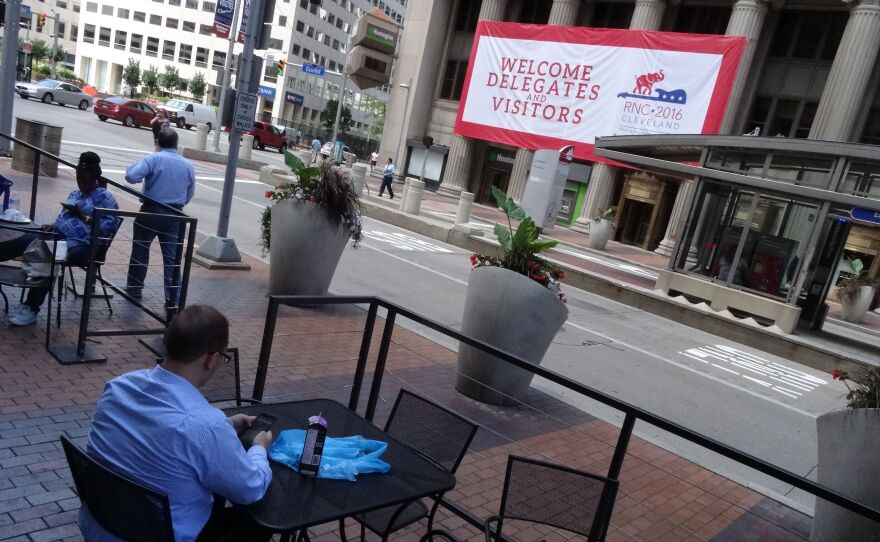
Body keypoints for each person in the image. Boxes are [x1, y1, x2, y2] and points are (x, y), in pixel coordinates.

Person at [78, 305, 274, 542]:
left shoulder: (118, 387)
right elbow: (250, 489)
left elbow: (157, 430)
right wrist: (259, 449)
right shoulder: (204, 426)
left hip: (101, 523)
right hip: (157, 536)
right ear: (211, 359)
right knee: (261, 525)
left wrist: (226, 425)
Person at [0, 152, 120, 326]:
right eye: (79, 180)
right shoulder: (75, 193)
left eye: (85, 181)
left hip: (84, 245)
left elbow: (105, 230)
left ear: (94, 179)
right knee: (26, 238)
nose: (82, 185)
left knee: (49, 254)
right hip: (59, 235)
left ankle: (31, 308)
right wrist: (53, 225)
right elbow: (63, 217)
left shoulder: (106, 199)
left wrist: (83, 216)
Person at [125, 128, 195, 315]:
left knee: (141, 248)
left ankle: (135, 287)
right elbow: (189, 194)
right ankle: (173, 297)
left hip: (151, 209)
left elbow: (131, 176)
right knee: (172, 257)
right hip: (175, 213)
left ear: (158, 142)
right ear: (176, 143)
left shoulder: (154, 159)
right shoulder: (187, 165)